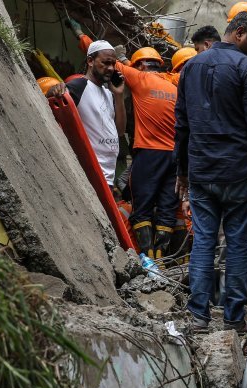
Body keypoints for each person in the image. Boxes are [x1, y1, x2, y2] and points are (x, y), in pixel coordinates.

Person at [175, 12, 247, 332]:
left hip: (202, 172)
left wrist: (182, 171)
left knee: (204, 242)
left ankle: (198, 316)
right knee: (237, 245)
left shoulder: (191, 66)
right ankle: (233, 318)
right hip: (239, 173)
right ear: (241, 33)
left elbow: (182, 125)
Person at [114, 47, 179, 260]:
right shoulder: (173, 86)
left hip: (150, 153)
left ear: (141, 65)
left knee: (142, 207)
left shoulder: (140, 78)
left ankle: (147, 259)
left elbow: (106, 59)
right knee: (167, 208)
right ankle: (161, 261)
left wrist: (81, 37)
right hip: (174, 156)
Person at [65, 41, 125, 187]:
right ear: (90, 61)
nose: (110, 68)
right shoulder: (78, 86)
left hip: (108, 174)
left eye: (113, 64)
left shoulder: (108, 93)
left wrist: (119, 96)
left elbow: (120, 131)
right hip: (90, 172)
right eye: (105, 63)